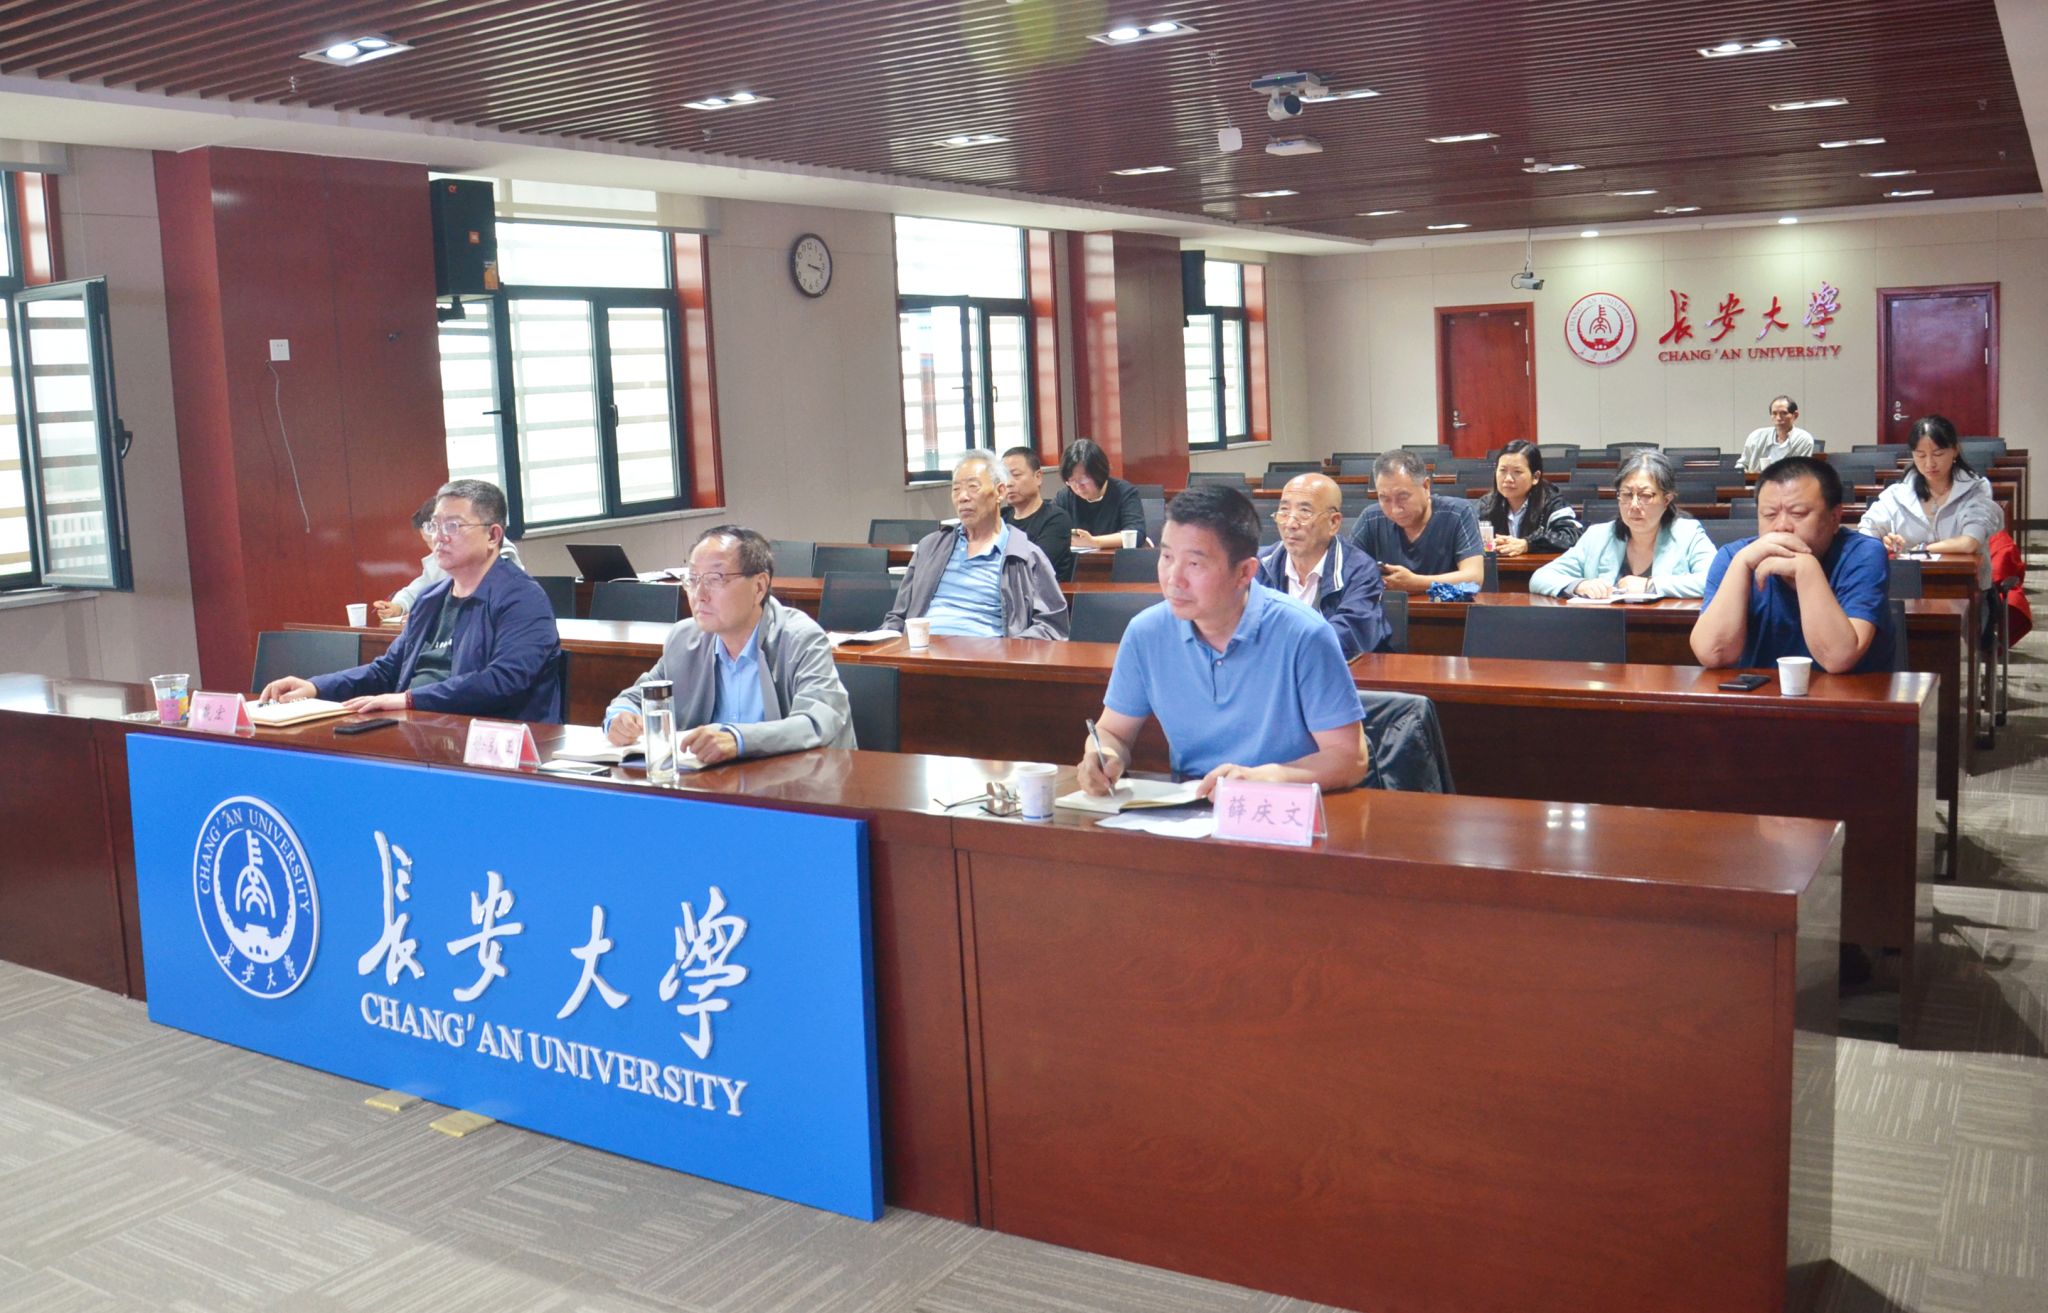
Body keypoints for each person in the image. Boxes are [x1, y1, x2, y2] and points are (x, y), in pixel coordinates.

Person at [1077, 484, 1369, 797]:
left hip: (1280, 806)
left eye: (1194, 564)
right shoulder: (1145, 633)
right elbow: (1113, 731)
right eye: (1167, 556)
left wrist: (1265, 778)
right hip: (1190, 806)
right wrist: (1104, 755)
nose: (1173, 578)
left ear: (1245, 572)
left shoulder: (1304, 634)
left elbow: (1349, 758)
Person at [260, 479, 564, 720]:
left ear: (493, 536)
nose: (439, 537)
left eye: (453, 526)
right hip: (419, 725)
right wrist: (315, 687)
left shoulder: (522, 599)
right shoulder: (431, 599)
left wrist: (408, 700)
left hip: (485, 737)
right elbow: (387, 670)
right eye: (434, 525)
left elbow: (504, 680)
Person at [601, 526, 853, 764]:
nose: (699, 594)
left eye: (715, 579)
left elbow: (817, 720)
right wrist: (620, 717)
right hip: (713, 783)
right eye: (693, 579)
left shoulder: (800, 638)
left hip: (796, 782)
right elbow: (637, 697)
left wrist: (739, 739)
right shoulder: (685, 638)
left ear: (759, 587)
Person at [1690, 456, 1896, 674]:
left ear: (1835, 517)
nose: (1781, 527)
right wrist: (1740, 565)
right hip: (1761, 692)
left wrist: (1806, 570)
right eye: (1769, 515)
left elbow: (1836, 658)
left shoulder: (1862, 554)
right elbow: (1713, 653)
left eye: (1798, 514)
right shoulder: (1735, 557)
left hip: (1849, 694)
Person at [885, 452, 1069, 638]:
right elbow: (898, 616)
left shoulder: (1025, 556)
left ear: (1000, 492)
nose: (963, 497)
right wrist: (882, 642)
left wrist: (1015, 649)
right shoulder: (930, 547)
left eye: (973, 487)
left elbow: (1052, 626)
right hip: (921, 649)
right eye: (956, 489)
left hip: (988, 653)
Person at [1529, 451, 1715, 598]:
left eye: (1645, 495)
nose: (1634, 505)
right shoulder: (1597, 536)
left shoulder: (1688, 534)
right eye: (1626, 494)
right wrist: (1579, 585)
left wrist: (1651, 585)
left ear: (1667, 499)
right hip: (1606, 629)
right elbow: (1540, 578)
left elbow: (1715, 580)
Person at [1856, 414, 2003, 588]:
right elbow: (1866, 532)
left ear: (1955, 450)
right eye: (1920, 455)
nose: (1929, 463)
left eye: (1938, 454)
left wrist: (1920, 549)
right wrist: (1884, 544)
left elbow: (1969, 542)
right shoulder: (1898, 494)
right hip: (1907, 588)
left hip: (1963, 587)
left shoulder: (1975, 489)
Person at [1253, 472, 1391, 658]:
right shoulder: (1259, 565)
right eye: (1284, 511)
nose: (1290, 524)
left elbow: (1351, 635)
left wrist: (1281, 646)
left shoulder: (1360, 570)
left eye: (1305, 512)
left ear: (1333, 523)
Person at [1349, 450, 1485, 593]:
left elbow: (1474, 578)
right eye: (1385, 499)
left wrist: (1416, 583)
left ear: (1426, 486)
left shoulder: (1459, 513)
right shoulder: (1371, 518)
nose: (1395, 509)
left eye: (1403, 497)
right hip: (1388, 607)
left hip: (1446, 606)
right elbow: (1345, 572)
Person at [375, 494, 525, 623]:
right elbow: (419, 589)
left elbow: (484, 599)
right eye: (429, 543)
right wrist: (398, 607)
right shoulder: (442, 557)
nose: (435, 548)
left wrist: (432, 615)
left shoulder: (498, 554)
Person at [1473, 439, 1582, 556]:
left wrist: (1528, 544)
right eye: (1502, 470)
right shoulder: (1485, 505)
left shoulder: (1552, 502)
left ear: (1535, 477)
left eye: (1517, 472)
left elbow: (1571, 535)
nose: (1508, 479)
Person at [999, 445, 1076, 581]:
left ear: (1038, 477)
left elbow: (1033, 567)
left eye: (1016, 475)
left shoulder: (1056, 519)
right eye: (1004, 477)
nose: (1008, 483)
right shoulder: (1001, 518)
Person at [1054, 437, 1146, 549]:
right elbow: (1051, 528)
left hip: (1117, 558)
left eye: (1083, 479)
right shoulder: (1064, 497)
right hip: (1078, 559)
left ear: (1099, 473)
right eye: (1071, 481)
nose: (1078, 486)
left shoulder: (1124, 492)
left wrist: (1094, 542)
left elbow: (1136, 534)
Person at [1736, 395, 1816, 473]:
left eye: (1784, 413)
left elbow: (1801, 472)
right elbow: (1742, 465)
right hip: (1755, 481)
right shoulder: (1756, 436)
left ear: (1795, 415)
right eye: (1774, 413)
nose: (1778, 418)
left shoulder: (1803, 439)